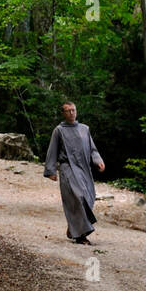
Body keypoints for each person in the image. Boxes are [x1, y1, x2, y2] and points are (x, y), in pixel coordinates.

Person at [43, 101, 106, 245]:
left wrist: (98, 161)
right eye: (68, 111)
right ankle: (80, 236)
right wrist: (51, 171)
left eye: (73, 110)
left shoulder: (84, 129)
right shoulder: (59, 130)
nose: (71, 113)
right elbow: (52, 151)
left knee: (89, 197)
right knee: (78, 198)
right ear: (63, 113)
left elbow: (92, 149)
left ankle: (73, 228)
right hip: (68, 169)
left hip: (84, 168)